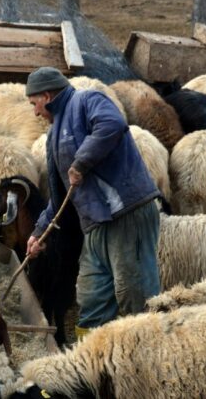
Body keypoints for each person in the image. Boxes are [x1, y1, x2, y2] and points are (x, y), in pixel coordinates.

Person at [25, 66, 161, 339]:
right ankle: (91, 366)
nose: (35, 112)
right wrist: (39, 233)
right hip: (96, 224)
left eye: (34, 103)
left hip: (125, 213)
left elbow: (112, 124)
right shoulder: (53, 135)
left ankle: (146, 355)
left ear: (47, 95)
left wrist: (81, 162)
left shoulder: (87, 101)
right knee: (91, 296)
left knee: (133, 293)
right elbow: (60, 195)